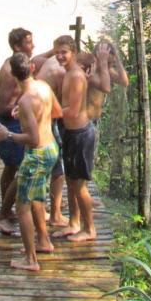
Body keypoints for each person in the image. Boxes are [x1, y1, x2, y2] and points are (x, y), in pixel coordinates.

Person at [0, 52, 62, 272]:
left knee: (22, 206)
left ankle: (31, 260)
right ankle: (43, 241)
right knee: (37, 198)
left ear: (13, 75)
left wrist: (8, 135)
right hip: (52, 148)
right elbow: (56, 112)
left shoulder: (25, 100)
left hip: (37, 154)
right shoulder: (42, 86)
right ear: (32, 68)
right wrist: (27, 113)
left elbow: (32, 138)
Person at [53, 34, 97, 243]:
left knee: (79, 185)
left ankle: (89, 228)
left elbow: (72, 111)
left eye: (64, 52)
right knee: (70, 182)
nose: (60, 56)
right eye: (57, 52)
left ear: (73, 52)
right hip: (70, 134)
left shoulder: (77, 76)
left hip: (81, 135)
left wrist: (45, 110)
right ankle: (73, 223)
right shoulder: (68, 72)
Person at [0, 27, 33, 235]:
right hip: (7, 123)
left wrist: (55, 52)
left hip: (11, 123)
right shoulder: (9, 72)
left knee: (10, 168)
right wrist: (21, 107)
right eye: (28, 43)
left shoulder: (18, 63)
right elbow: (4, 105)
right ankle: (3, 213)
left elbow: (39, 57)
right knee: (23, 169)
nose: (33, 46)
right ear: (17, 47)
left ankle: (6, 212)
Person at [35, 47, 69, 228]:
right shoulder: (62, 71)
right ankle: (55, 214)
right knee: (58, 168)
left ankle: (50, 209)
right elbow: (59, 110)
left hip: (36, 117)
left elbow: (35, 58)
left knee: (31, 168)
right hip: (46, 122)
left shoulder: (47, 61)